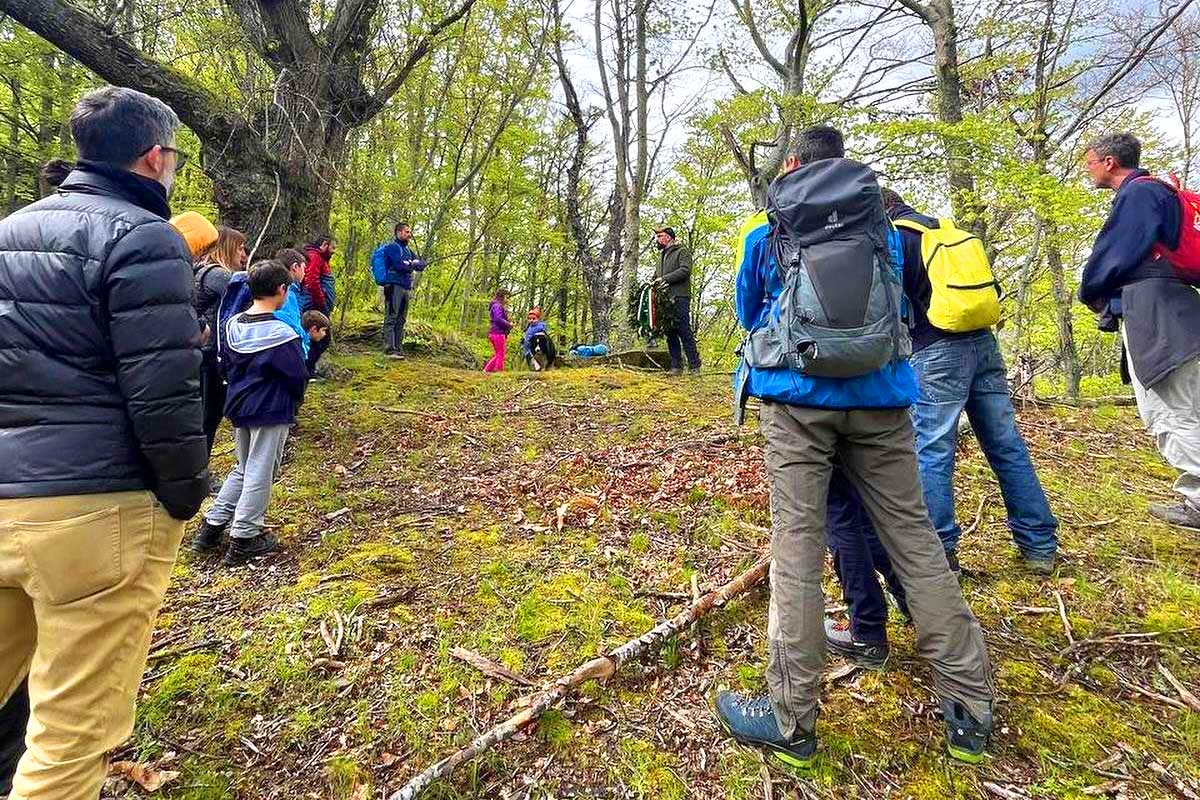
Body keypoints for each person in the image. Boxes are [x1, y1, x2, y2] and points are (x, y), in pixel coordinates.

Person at [717, 125, 994, 768]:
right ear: (845, 164)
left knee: (797, 545)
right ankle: (970, 706)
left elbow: (751, 309)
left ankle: (792, 719)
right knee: (915, 540)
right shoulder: (889, 231)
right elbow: (906, 310)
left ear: (792, 165)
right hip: (882, 399)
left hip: (795, 402)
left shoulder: (766, 229)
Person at [0, 85, 208, 799]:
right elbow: (165, 391)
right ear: (154, 157)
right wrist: (185, 493)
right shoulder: (144, 238)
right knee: (68, 738)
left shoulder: (9, 230)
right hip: (97, 508)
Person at [882, 188, 1059, 574]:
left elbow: (891, 307)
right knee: (1007, 446)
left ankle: (940, 553)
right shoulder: (945, 231)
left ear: (882, 210)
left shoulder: (896, 238)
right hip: (983, 344)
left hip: (935, 351)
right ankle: (1039, 545)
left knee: (932, 450)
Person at [1080, 134, 1200, 528]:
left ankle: (1197, 501)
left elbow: (1113, 254)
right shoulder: (1156, 193)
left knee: (1171, 410)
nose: (1087, 168)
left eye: (1090, 161)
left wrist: (1090, 289)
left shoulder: (1140, 195)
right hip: (1173, 307)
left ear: (1110, 162)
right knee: (1181, 405)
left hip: (1158, 312)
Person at [192, 261, 308, 566]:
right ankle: (245, 535)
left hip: (240, 406)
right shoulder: (282, 334)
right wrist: (295, 401)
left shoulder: (232, 326)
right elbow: (297, 375)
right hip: (271, 409)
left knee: (244, 466)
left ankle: (212, 524)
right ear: (281, 290)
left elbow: (226, 365)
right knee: (261, 469)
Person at [193, 226, 247, 461]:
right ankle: (200, 470)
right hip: (209, 355)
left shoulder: (203, 271)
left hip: (200, 353)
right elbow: (249, 296)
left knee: (206, 416)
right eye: (240, 248)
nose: (243, 254)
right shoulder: (219, 276)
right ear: (228, 247)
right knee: (208, 417)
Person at [373, 222, 427, 358]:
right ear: (399, 232)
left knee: (401, 319)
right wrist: (411, 264)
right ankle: (389, 349)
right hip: (392, 286)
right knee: (391, 316)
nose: (409, 235)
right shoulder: (392, 247)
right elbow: (398, 265)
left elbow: (421, 265)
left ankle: (398, 348)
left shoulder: (409, 251)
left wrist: (410, 264)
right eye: (407, 232)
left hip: (405, 287)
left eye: (410, 232)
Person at [653, 226, 701, 375]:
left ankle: (694, 366)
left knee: (684, 330)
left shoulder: (682, 252)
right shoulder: (660, 257)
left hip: (680, 297)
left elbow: (685, 270)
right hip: (664, 299)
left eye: (660, 236)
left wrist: (664, 279)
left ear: (668, 237)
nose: (657, 239)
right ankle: (676, 366)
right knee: (670, 332)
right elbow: (656, 277)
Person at [302, 234, 336, 315]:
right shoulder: (315, 257)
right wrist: (322, 303)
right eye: (333, 247)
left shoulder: (321, 258)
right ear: (324, 244)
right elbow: (311, 281)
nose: (334, 251)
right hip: (315, 306)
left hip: (318, 305)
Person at [484, 289, 513, 372]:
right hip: (498, 333)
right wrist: (508, 324)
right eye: (507, 297)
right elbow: (498, 319)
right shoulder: (497, 306)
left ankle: (486, 371)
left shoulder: (496, 306)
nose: (507, 300)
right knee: (501, 354)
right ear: (502, 296)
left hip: (495, 332)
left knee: (498, 354)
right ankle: (499, 372)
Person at [302, 310, 332, 376]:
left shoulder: (308, 343)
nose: (324, 334)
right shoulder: (301, 346)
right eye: (323, 330)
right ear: (314, 329)